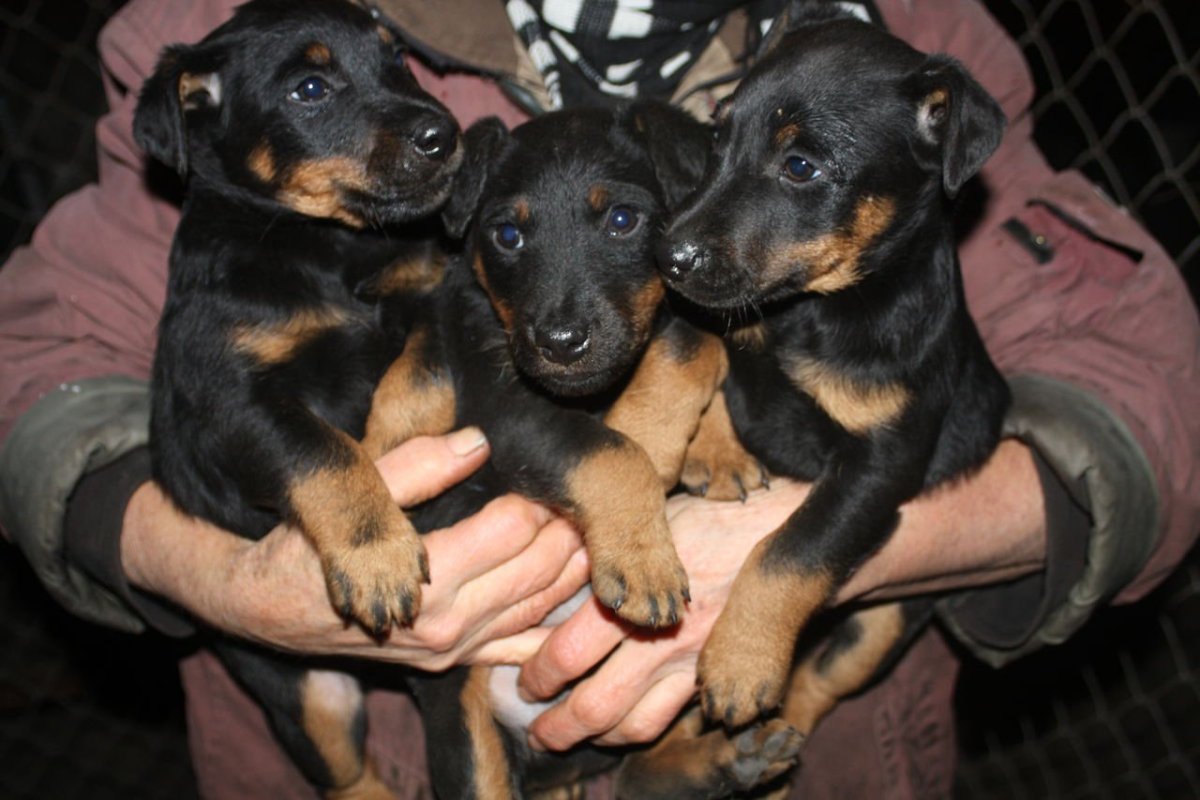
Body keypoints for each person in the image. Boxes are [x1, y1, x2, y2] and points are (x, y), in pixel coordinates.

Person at [0, 0, 1195, 798]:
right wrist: (230, 579)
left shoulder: (906, 43)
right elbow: (43, 357)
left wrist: (802, 557)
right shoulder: (236, 33)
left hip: (810, 750)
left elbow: (1141, 376)